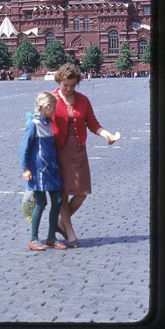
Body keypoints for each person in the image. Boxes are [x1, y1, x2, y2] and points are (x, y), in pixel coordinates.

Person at [52, 63, 119, 248]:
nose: (69, 89)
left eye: (73, 85)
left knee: (82, 192)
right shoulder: (51, 99)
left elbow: (93, 124)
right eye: (66, 85)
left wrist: (106, 135)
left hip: (78, 150)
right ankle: (70, 231)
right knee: (63, 193)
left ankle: (60, 223)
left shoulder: (83, 100)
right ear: (59, 81)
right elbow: (39, 122)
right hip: (58, 151)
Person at [19, 92, 67, 251]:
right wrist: (25, 168)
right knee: (41, 202)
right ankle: (34, 238)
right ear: (46, 107)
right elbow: (24, 148)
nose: (54, 111)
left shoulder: (47, 123)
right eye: (53, 108)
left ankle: (51, 237)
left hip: (51, 170)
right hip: (38, 171)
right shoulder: (33, 124)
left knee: (58, 201)